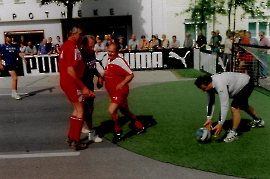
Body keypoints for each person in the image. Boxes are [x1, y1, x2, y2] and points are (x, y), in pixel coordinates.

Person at [194, 73, 264, 143]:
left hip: (247, 83)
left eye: (204, 88)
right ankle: (258, 121)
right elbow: (211, 102)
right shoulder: (210, 85)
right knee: (242, 105)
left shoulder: (219, 84)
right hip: (238, 85)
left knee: (234, 107)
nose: (204, 90)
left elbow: (224, 105)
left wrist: (220, 123)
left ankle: (234, 132)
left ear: (209, 83)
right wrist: (209, 118)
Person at [59, 26, 95, 150]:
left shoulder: (65, 45)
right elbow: (71, 70)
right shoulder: (71, 47)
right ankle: (76, 140)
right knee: (81, 110)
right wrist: (84, 87)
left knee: (76, 109)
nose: (81, 36)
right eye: (80, 34)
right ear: (73, 34)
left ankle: (71, 136)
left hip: (66, 82)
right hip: (71, 82)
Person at [104, 43, 145, 143]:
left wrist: (122, 84)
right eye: (109, 51)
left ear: (117, 52)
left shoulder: (120, 61)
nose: (110, 53)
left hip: (120, 91)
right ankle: (139, 126)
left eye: (112, 51)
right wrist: (101, 79)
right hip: (112, 91)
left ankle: (118, 130)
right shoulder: (108, 59)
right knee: (125, 111)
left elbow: (130, 75)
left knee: (111, 110)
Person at [80, 35, 103, 142]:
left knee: (89, 109)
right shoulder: (80, 55)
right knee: (87, 110)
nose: (93, 48)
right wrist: (84, 88)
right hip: (81, 85)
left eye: (93, 46)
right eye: (90, 46)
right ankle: (91, 133)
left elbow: (93, 67)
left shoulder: (92, 53)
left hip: (89, 84)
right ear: (84, 46)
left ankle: (82, 126)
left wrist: (99, 77)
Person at [0, 33, 27, 100]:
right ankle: (15, 93)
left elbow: (19, 53)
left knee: (15, 79)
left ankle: (13, 92)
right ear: (6, 38)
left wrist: (24, 59)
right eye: (8, 37)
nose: (10, 38)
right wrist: (0, 64)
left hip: (15, 64)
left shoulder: (14, 45)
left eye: (10, 37)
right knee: (15, 78)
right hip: (8, 64)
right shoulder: (3, 46)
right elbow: (0, 55)